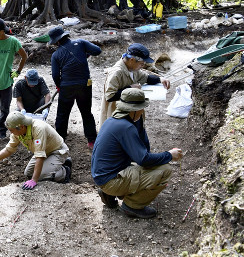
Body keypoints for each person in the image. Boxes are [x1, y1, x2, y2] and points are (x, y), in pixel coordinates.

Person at [91, 88, 183, 218]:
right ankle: (132, 206)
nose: (143, 110)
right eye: (141, 108)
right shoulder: (126, 127)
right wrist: (169, 155)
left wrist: (139, 125)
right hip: (110, 180)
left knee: (151, 165)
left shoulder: (114, 121)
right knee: (165, 170)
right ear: (133, 110)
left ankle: (109, 193)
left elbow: (144, 149)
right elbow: (143, 159)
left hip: (103, 175)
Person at [0, 111, 72, 190]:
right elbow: (9, 149)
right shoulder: (17, 131)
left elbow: (40, 156)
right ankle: (55, 165)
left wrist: (34, 180)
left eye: (11, 130)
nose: (11, 133)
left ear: (21, 127)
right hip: (44, 151)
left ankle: (65, 171)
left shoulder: (38, 129)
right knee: (28, 173)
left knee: (41, 176)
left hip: (57, 151)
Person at [48, 26, 102, 149]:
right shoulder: (81, 43)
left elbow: (56, 75)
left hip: (67, 87)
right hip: (84, 85)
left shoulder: (56, 55)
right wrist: (85, 53)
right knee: (86, 112)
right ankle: (91, 141)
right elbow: (97, 51)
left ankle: (60, 141)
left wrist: (59, 86)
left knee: (62, 114)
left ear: (57, 41)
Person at [99, 43, 170, 128]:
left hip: (132, 113)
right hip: (118, 116)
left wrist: (160, 79)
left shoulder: (133, 69)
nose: (142, 66)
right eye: (141, 63)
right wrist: (130, 89)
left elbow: (146, 77)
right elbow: (110, 96)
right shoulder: (116, 73)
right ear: (132, 60)